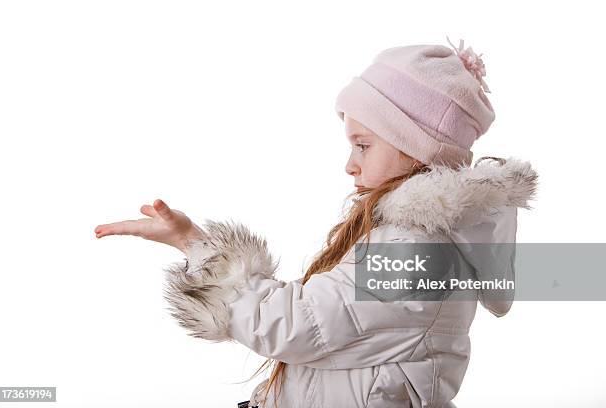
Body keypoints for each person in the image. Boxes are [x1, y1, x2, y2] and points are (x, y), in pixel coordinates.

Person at [94, 37, 539, 408]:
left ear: (418, 148)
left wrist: (194, 244)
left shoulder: (415, 249)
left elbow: (300, 324)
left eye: (363, 145)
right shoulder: (420, 238)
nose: (350, 164)